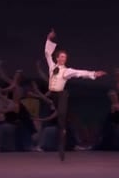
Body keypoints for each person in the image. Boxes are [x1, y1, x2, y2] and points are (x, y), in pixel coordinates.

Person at [44, 28, 107, 161]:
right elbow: (47, 53)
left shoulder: (67, 71)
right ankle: (63, 129)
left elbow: (80, 73)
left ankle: (62, 142)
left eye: (65, 57)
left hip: (61, 95)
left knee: (61, 116)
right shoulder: (51, 66)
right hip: (53, 95)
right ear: (57, 58)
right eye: (61, 57)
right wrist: (49, 39)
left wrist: (94, 73)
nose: (63, 59)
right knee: (59, 116)